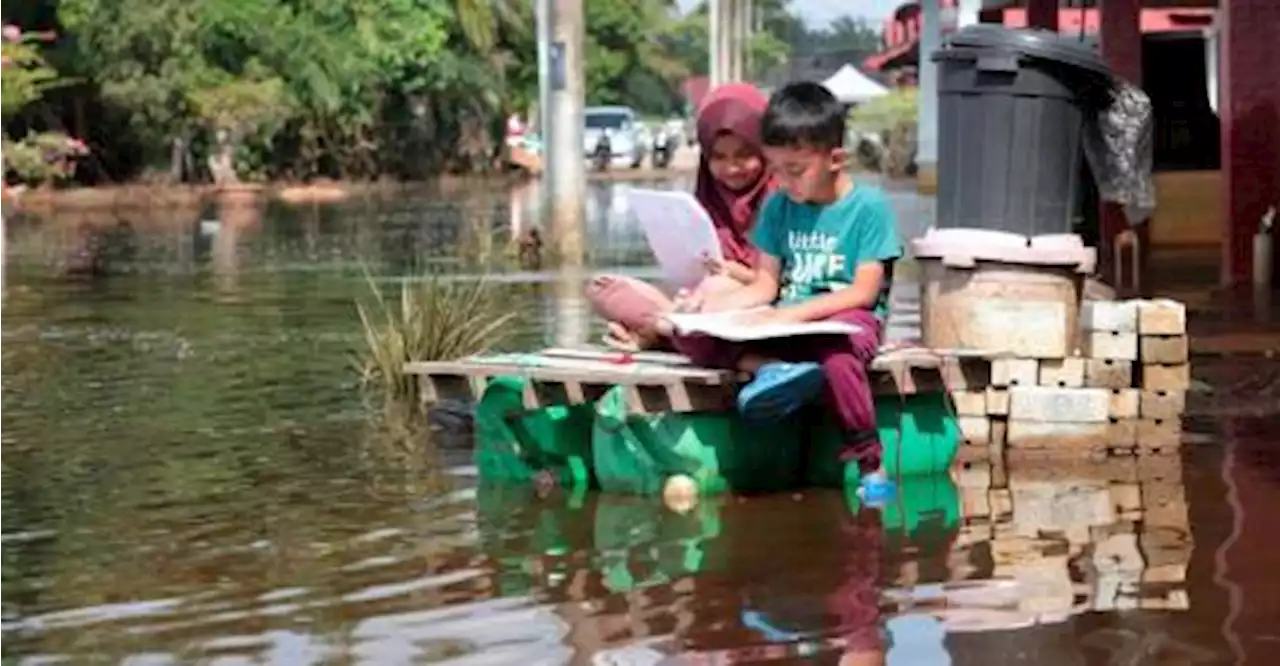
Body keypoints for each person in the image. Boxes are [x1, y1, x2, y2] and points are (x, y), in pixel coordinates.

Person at [670, 81, 901, 504]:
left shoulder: (869, 208)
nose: (784, 182)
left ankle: (871, 461)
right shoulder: (778, 208)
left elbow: (864, 293)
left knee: (837, 354)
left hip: (845, 320)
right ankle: (771, 369)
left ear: (835, 158)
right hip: (785, 325)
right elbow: (765, 284)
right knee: (687, 333)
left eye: (796, 171)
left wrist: (790, 316)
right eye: (777, 170)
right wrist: (708, 308)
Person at [586, 83, 775, 351]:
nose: (732, 168)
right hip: (700, 302)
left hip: (754, 309)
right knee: (602, 288)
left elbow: (779, 286)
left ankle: (663, 333)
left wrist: (732, 273)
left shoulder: (784, 199)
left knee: (715, 289)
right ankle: (673, 329)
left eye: (744, 155)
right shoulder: (708, 199)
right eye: (719, 157)